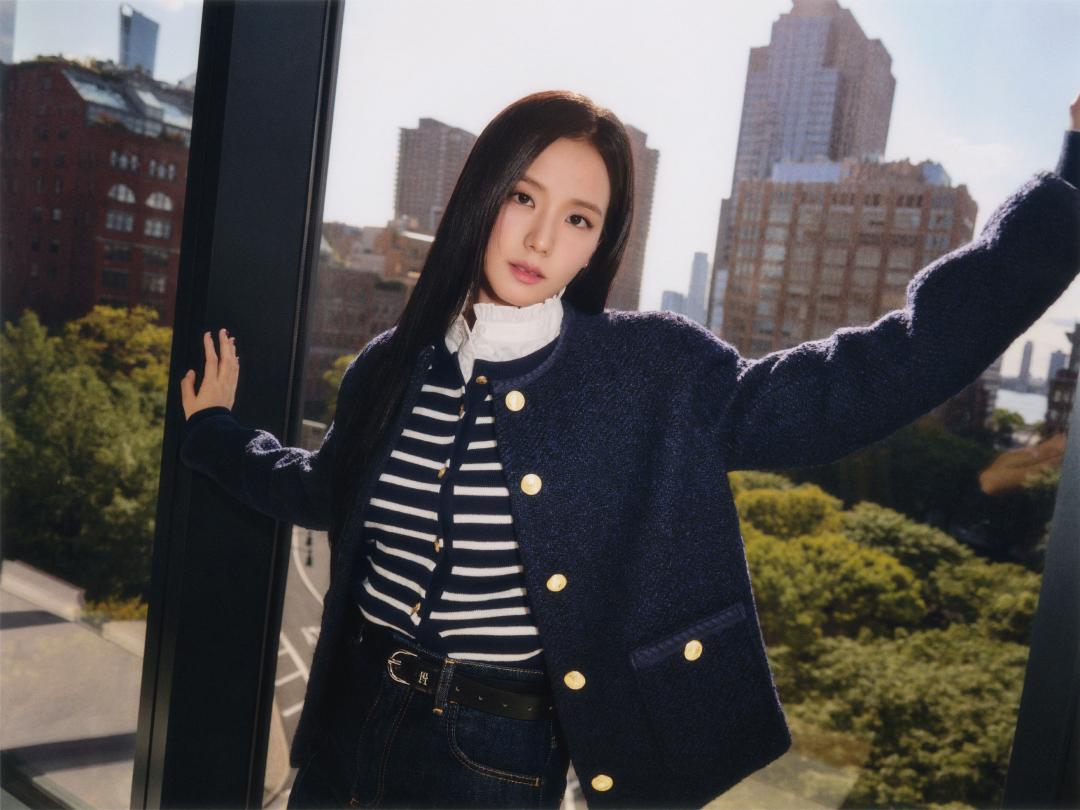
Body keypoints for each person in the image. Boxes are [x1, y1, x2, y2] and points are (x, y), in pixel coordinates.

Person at [179, 89, 1080, 809]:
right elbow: (321, 489)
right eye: (524, 197)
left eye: (579, 219)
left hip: (489, 756)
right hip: (346, 720)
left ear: (599, 246)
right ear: (479, 198)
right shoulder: (391, 364)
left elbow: (876, 371)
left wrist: (1068, 192)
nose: (541, 237)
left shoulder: (648, 373)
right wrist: (214, 431)